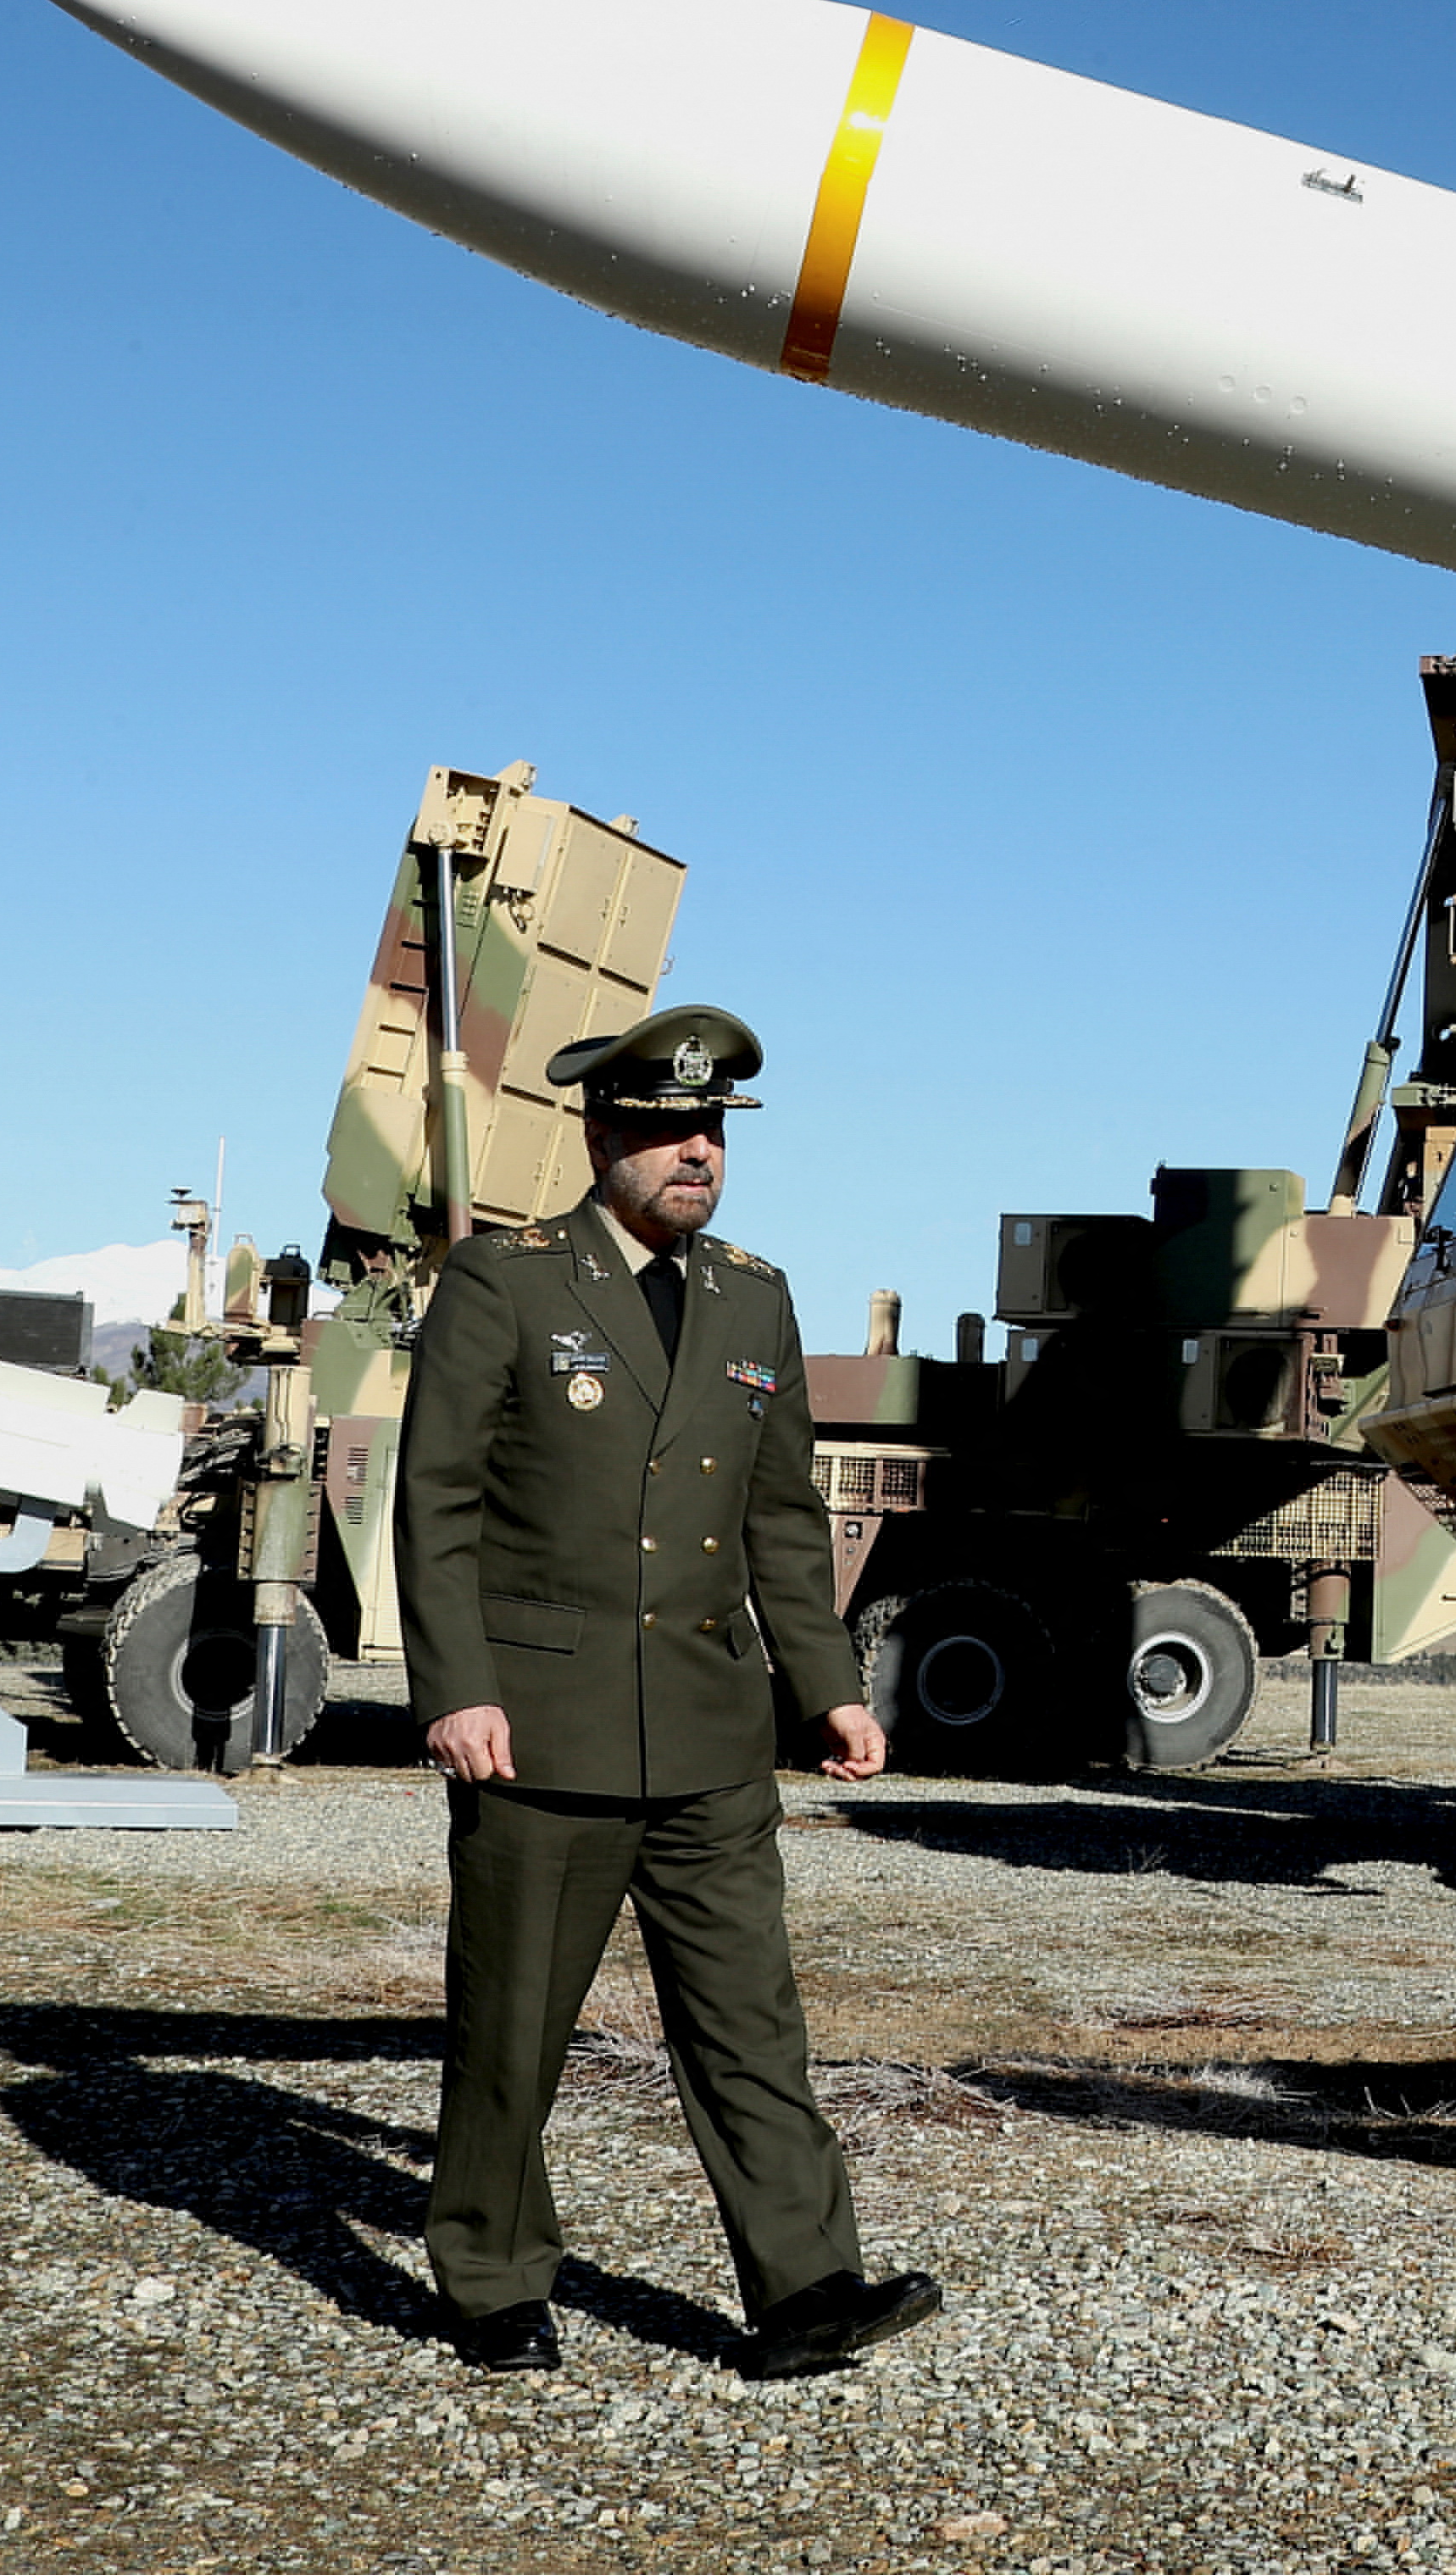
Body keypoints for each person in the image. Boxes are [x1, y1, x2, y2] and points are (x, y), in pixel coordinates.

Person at [397, 1003, 942, 2380]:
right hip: (541, 1728)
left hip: (708, 1732)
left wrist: (830, 1688)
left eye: (712, 1131)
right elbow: (438, 1500)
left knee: (752, 2027)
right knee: (513, 2025)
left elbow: (779, 1519)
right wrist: (454, 1688)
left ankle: (808, 2290)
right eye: (666, 1130)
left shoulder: (753, 1295)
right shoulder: (507, 1283)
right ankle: (491, 2281)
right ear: (602, 1135)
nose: (695, 1152)